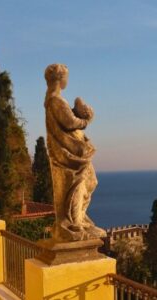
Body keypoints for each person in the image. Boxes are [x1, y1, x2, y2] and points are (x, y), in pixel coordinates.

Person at [44, 63, 104, 242]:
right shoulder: (55, 100)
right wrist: (86, 120)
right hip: (69, 154)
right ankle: (74, 221)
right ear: (60, 79)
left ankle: (80, 217)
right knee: (80, 182)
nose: (67, 80)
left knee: (90, 182)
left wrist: (76, 112)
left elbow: (67, 119)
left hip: (73, 151)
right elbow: (69, 123)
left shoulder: (54, 100)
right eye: (66, 77)